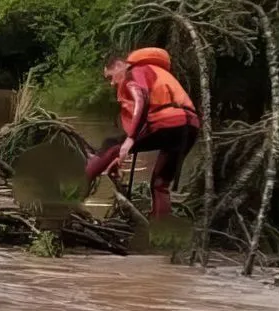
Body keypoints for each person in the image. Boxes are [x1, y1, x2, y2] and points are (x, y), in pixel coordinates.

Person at [84, 48, 199, 219]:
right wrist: (120, 155)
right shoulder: (155, 72)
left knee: (110, 143)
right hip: (189, 128)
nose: (112, 83)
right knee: (160, 184)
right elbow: (150, 120)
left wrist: (130, 140)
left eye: (110, 77)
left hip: (167, 123)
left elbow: (141, 99)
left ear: (119, 66)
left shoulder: (134, 72)